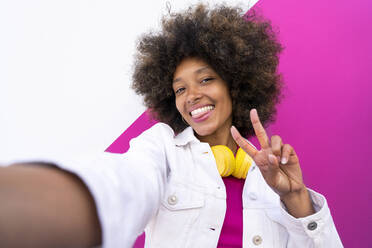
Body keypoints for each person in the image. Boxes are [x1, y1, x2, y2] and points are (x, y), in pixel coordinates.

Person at [0, 3, 343, 248]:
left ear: (234, 83)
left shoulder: (271, 171)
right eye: (180, 88)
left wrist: (295, 196)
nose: (191, 96)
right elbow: (123, 183)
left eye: (205, 79)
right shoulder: (162, 148)